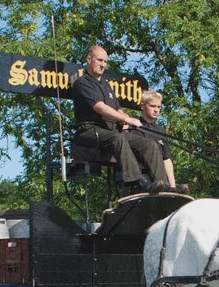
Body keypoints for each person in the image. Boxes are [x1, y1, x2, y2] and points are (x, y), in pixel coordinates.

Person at [71, 45, 168, 193]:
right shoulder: (82, 83)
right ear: (89, 59)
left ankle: (164, 186)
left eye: (105, 61)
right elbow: (100, 107)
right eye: (99, 60)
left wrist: (124, 119)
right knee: (118, 139)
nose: (103, 64)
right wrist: (126, 119)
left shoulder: (106, 85)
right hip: (89, 131)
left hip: (110, 131)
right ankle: (138, 181)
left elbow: (117, 108)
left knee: (149, 144)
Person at [127, 91, 189, 194]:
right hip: (141, 180)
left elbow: (166, 159)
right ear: (142, 106)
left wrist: (172, 186)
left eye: (159, 107)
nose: (156, 110)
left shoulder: (160, 130)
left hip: (160, 180)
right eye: (152, 106)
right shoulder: (133, 127)